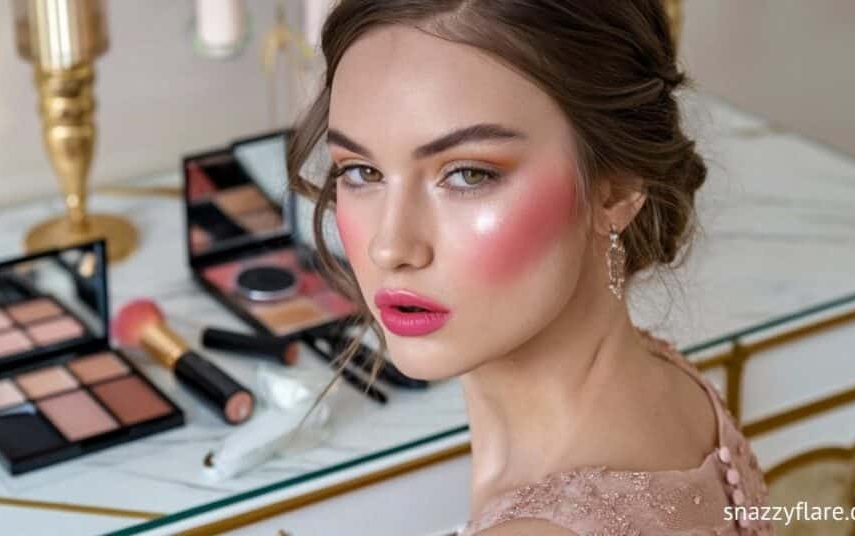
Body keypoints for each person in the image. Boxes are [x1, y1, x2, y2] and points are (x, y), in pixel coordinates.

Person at [287, 1, 772, 534]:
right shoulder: (666, 386)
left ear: (617, 189)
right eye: (361, 171)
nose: (390, 246)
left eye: (468, 175)